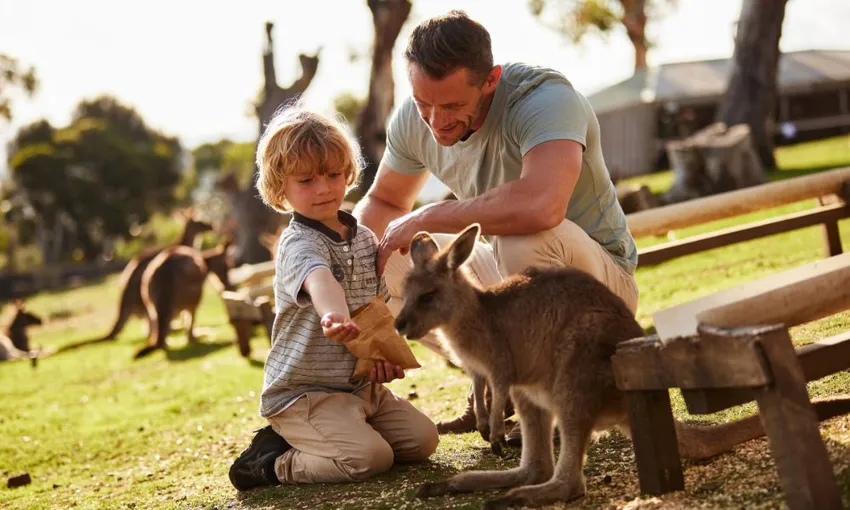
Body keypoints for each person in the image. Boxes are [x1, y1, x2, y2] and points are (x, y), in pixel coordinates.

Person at [353, 10, 639, 444]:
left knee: (524, 233)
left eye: (451, 106)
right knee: (387, 257)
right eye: (423, 103)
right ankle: (494, 391)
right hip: (513, 284)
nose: (436, 121)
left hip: (596, 289)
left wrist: (427, 216)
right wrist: (344, 277)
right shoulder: (417, 117)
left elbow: (541, 207)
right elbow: (386, 202)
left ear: (490, 80)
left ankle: (558, 405)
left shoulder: (543, 98)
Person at [228, 107, 438, 491]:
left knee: (422, 441)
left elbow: (375, 311)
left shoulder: (363, 238)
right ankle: (271, 463)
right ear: (281, 188)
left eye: (333, 174)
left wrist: (379, 355)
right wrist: (333, 317)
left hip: (358, 389)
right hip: (306, 394)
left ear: (348, 173)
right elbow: (320, 280)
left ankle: (344, 429)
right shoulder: (297, 243)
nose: (324, 188)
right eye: (306, 180)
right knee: (369, 459)